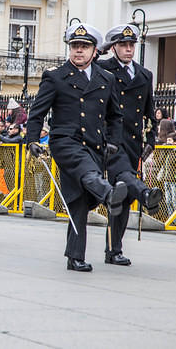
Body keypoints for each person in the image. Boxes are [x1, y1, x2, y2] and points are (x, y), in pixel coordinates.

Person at [26, 23, 128, 272]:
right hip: (65, 142)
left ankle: (75, 256)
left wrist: (113, 141)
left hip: (95, 145)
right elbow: (37, 113)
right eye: (74, 47)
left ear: (95, 51)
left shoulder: (107, 78)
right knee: (88, 175)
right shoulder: (56, 76)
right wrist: (32, 141)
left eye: (84, 47)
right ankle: (108, 193)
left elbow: (115, 116)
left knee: (80, 201)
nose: (78, 51)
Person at [98, 24, 163, 266]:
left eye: (131, 45)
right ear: (113, 47)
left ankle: (114, 250)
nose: (128, 49)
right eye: (123, 45)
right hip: (111, 140)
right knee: (124, 180)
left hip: (134, 140)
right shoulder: (103, 68)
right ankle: (146, 194)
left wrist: (152, 139)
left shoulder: (144, 75)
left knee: (123, 198)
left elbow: (149, 111)